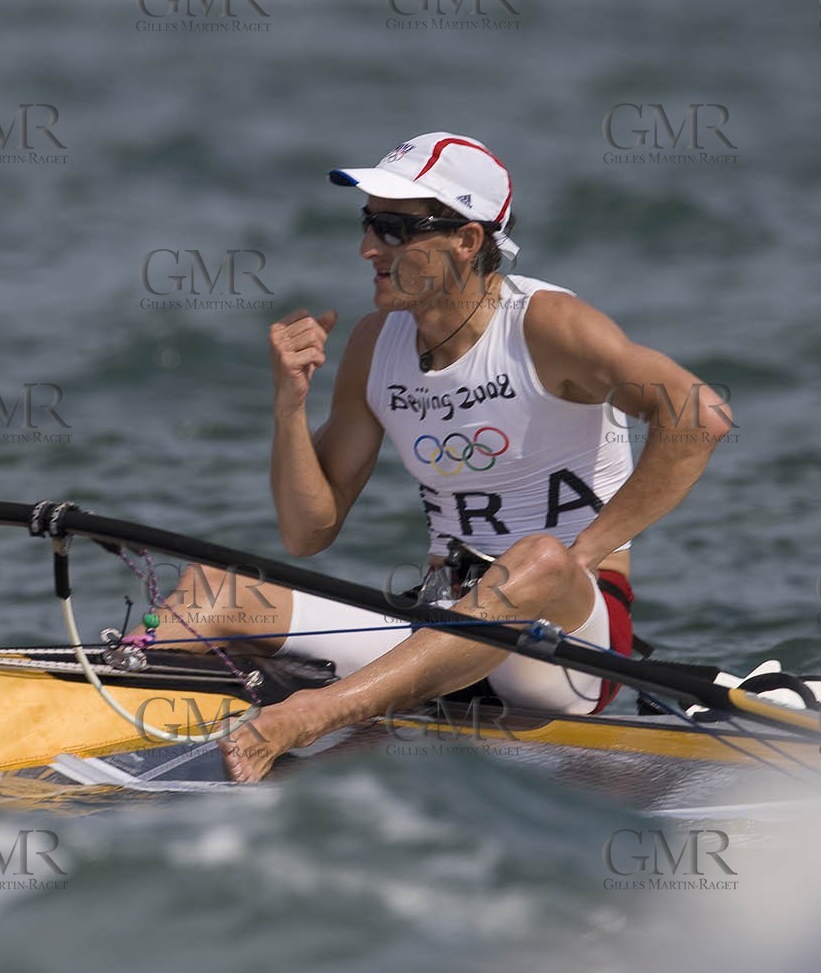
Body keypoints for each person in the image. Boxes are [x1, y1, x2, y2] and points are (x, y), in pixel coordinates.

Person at [150, 132, 734, 781]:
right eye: (370, 223)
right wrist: (289, 406)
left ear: (468, 241)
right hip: (442, 617)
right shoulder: (375, 345)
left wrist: (582, 556)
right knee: (212, 589)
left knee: (535, 559)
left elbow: (699, 415)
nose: (368, 247)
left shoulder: (547, 327)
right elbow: (306, 532)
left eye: (396, 228)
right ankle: (105, 703)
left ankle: (310, 715)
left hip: (565, 643)